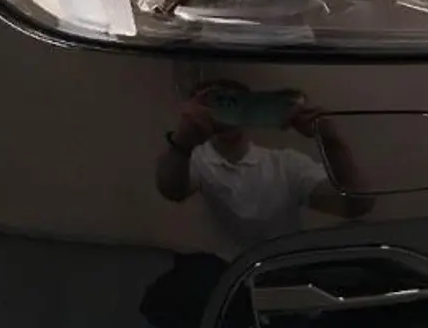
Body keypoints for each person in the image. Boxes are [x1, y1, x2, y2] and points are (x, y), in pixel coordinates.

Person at [156, 79, 373, 259]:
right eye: (215, 104)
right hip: (221, 277)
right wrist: (182, 142)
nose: (225, 112)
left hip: (282, 273)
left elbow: (355, 205)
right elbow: (171, 190)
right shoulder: (197, 160)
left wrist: (330, 140)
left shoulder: (286, 164)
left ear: (249, 109)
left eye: (234, 102)